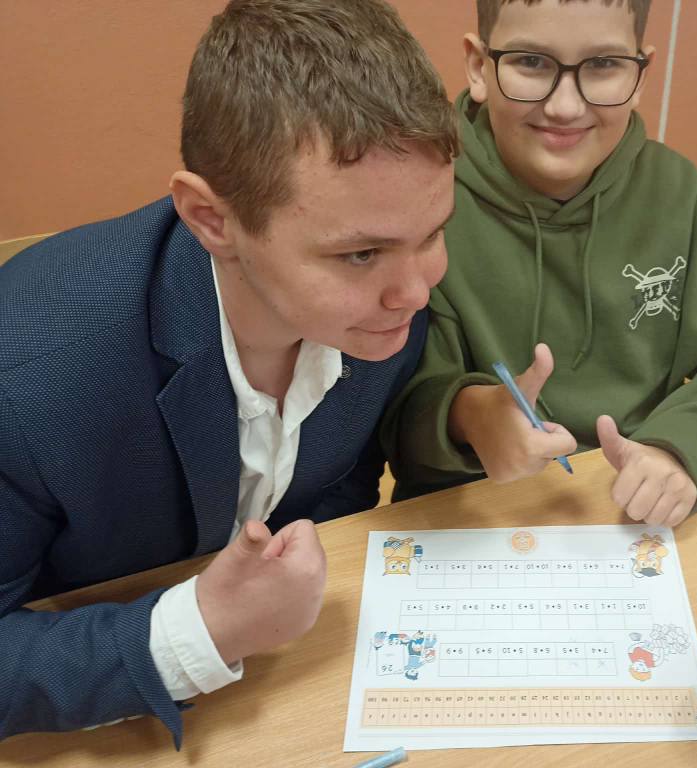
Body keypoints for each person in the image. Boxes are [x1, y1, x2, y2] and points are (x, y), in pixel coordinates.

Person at [0, 0, 457, 746]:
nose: (416, 292)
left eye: (435, 232)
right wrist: (200, 631)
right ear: (212, 220)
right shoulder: (29, 380)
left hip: (282, 694)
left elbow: (338, 476)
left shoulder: (379, 299)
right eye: (360, 254)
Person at [383, 0, 697, 527]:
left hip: (624, 513)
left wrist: (680, 448)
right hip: (468, 518)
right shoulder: (425, 201)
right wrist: (472, 417)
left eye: (604, 65)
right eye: (532, 62)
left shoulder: (675, 194)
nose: (565, 106)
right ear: (479, 67)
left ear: (640, 77)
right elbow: (385, 413)